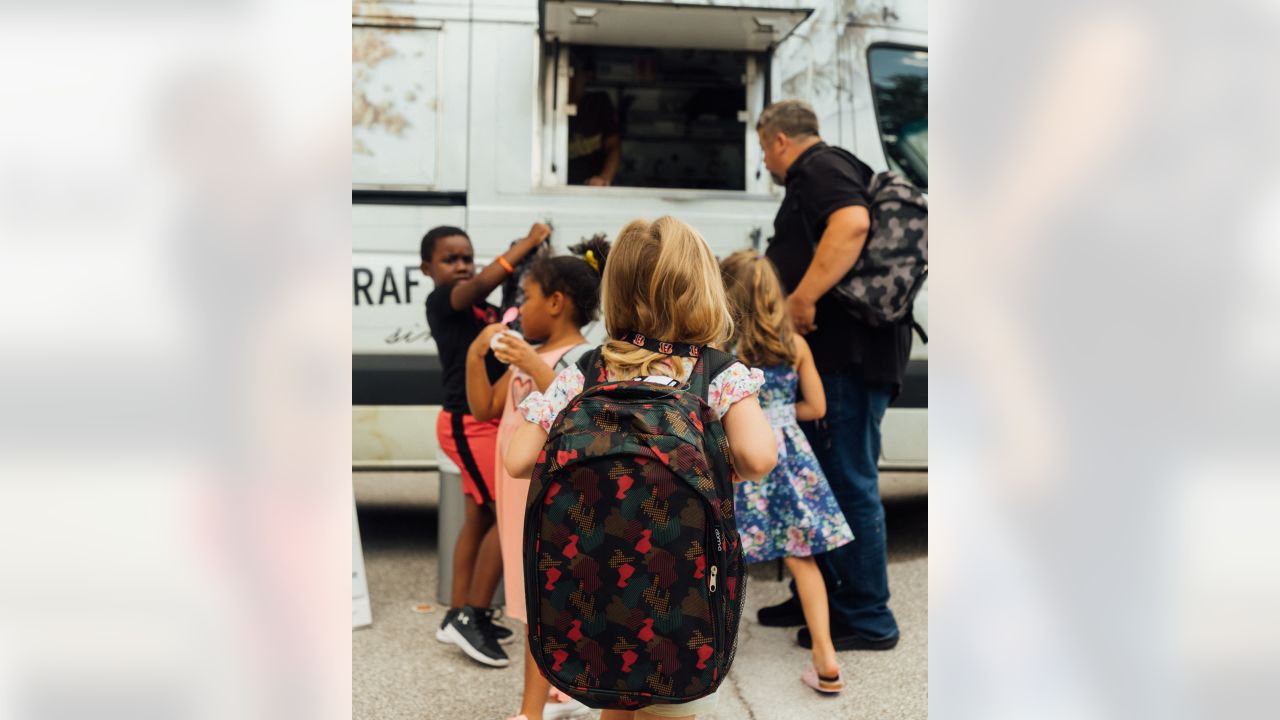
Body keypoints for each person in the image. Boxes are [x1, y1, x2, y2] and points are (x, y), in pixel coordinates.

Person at [505, 216, 778, 720]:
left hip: (592, 585)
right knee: (668, 704)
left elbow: (519, 460)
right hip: (680, 589)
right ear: (702, 289)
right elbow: (759, 459)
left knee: (613, 696)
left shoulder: (586, 370)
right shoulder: (715, 372)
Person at [755, 100, 912, 650]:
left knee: (847, 482)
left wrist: (801, 298)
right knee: (819, 483)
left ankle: (868, 618)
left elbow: (851, 223)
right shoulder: (828, 170)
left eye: (763, 150)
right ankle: (820, 596)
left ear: (777, 140)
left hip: (849, 355)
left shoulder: (819, 167)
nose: (767, 165)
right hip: (842, 355)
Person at [464, 239, 610, 720]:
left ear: (556, 302)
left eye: (525, 296)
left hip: (547, 490)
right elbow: (485, 408)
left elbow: (582, 409)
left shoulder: (584, 357)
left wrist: (529, 362)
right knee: (531, 592)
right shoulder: (536, 351)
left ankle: (531, 712)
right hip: (513, 490)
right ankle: (553, 690)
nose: (518, 307)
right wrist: (475, 356)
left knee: (538, 597)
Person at [719, 250, 854, 693]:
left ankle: (709, 654)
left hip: (740, 454)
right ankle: (826, 658)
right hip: (787, 456)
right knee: (803, 556)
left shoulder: (724, 352)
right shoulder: (795, 345)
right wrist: (778, 415)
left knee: (722, 554)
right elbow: (817, 406)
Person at [422, 222, 551, 668]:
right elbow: (474, 288)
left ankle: (456, 613)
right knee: (504, 514)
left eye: (466, 257)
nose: (460, 266)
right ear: (426, 268)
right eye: (449, 259)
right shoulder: (444, 301)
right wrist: (523, 247)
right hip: (465, 423)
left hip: (479, 422)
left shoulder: (482, 309)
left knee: (478, 517)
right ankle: (470, 616)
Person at [567, 56, 622, 186]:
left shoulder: (598, 103)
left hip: (594, 186)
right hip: (560, 188)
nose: (572, 81)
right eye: (568, 76)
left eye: (575, 75)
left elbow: (614, 147)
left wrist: (603, 179)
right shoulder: (548, 109)